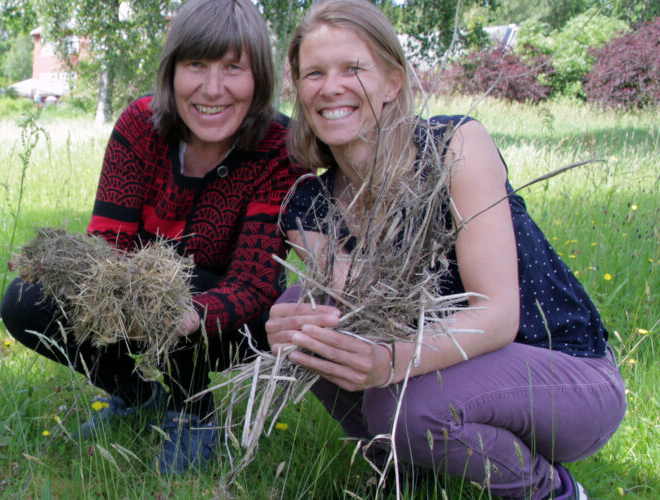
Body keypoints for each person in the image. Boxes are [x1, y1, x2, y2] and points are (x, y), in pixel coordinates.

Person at [266, 1, 626, 498]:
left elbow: (496, 315)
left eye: (353, 68)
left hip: (564, 376)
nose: (331, 87)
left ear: (393, 81)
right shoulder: (310, 204)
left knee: (411, 408)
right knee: (300, 309)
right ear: (299, 89)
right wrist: (294, 328)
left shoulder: (454, 145)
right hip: (456, 372)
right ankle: (405, 467)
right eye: (314, 73)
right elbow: (357, 308)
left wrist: (388, 364)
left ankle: (555, 491)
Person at [0, 0, 304, 476]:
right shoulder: (140, 125)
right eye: (196, 65)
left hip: (231, 318)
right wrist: (108, 293)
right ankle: (136, 394)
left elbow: (255, 285)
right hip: (135, 296)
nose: (212, 88)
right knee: (26, 298)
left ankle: (194, 413)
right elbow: (108, 242)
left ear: (259, 78)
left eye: (233, 68)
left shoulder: (278, 149)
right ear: (172, 71)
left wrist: (182, 316)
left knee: (186, 284)